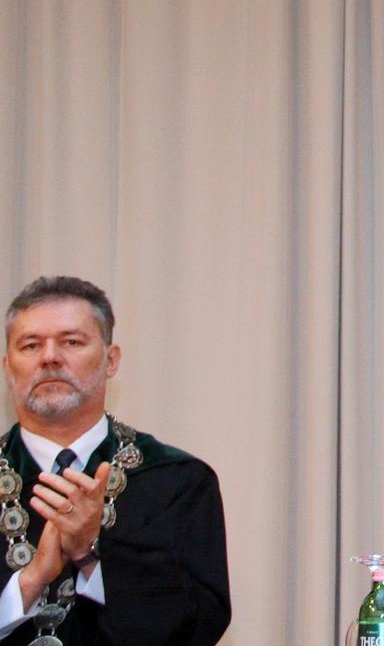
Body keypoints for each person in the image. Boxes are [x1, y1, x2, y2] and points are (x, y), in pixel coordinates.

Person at [0, 275, 230, 645]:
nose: (50, 357)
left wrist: (89, 556)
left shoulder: (175, 482)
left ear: (111, 361)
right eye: (31, 345)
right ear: (8, 368)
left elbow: (198, 623)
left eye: (71, 342)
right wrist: (29, 583)